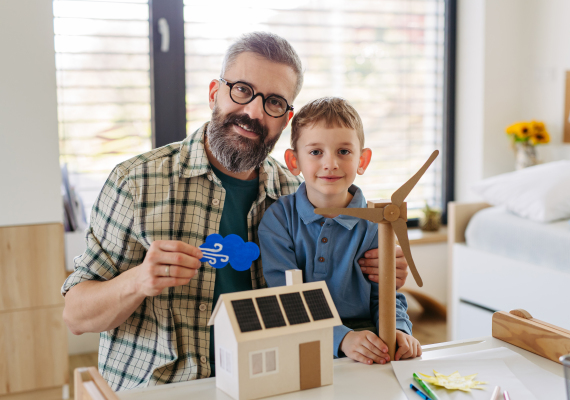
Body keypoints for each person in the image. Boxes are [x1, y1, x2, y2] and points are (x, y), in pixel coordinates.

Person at [61, 32, 410, 391]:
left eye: (273, 102)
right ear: (214, 93)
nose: (254, 112)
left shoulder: (297, 195)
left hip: (266, 383)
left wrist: (384, 267)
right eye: (242, 90)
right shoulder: (136, 182)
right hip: (157, 388)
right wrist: (138, 281)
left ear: (286, 119)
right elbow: (75, 315)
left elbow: (328, 289)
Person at [259, 97, 422, 365]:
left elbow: (386, 296)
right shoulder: (278, 221)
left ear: (363, 160)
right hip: (302, 341)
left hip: (367, 345)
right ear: (293, 160)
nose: (330, 163)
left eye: (344, 151)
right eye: (315, 152)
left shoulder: (376, 224)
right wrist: (341, 338)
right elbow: (286, 301)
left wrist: (398, 331)